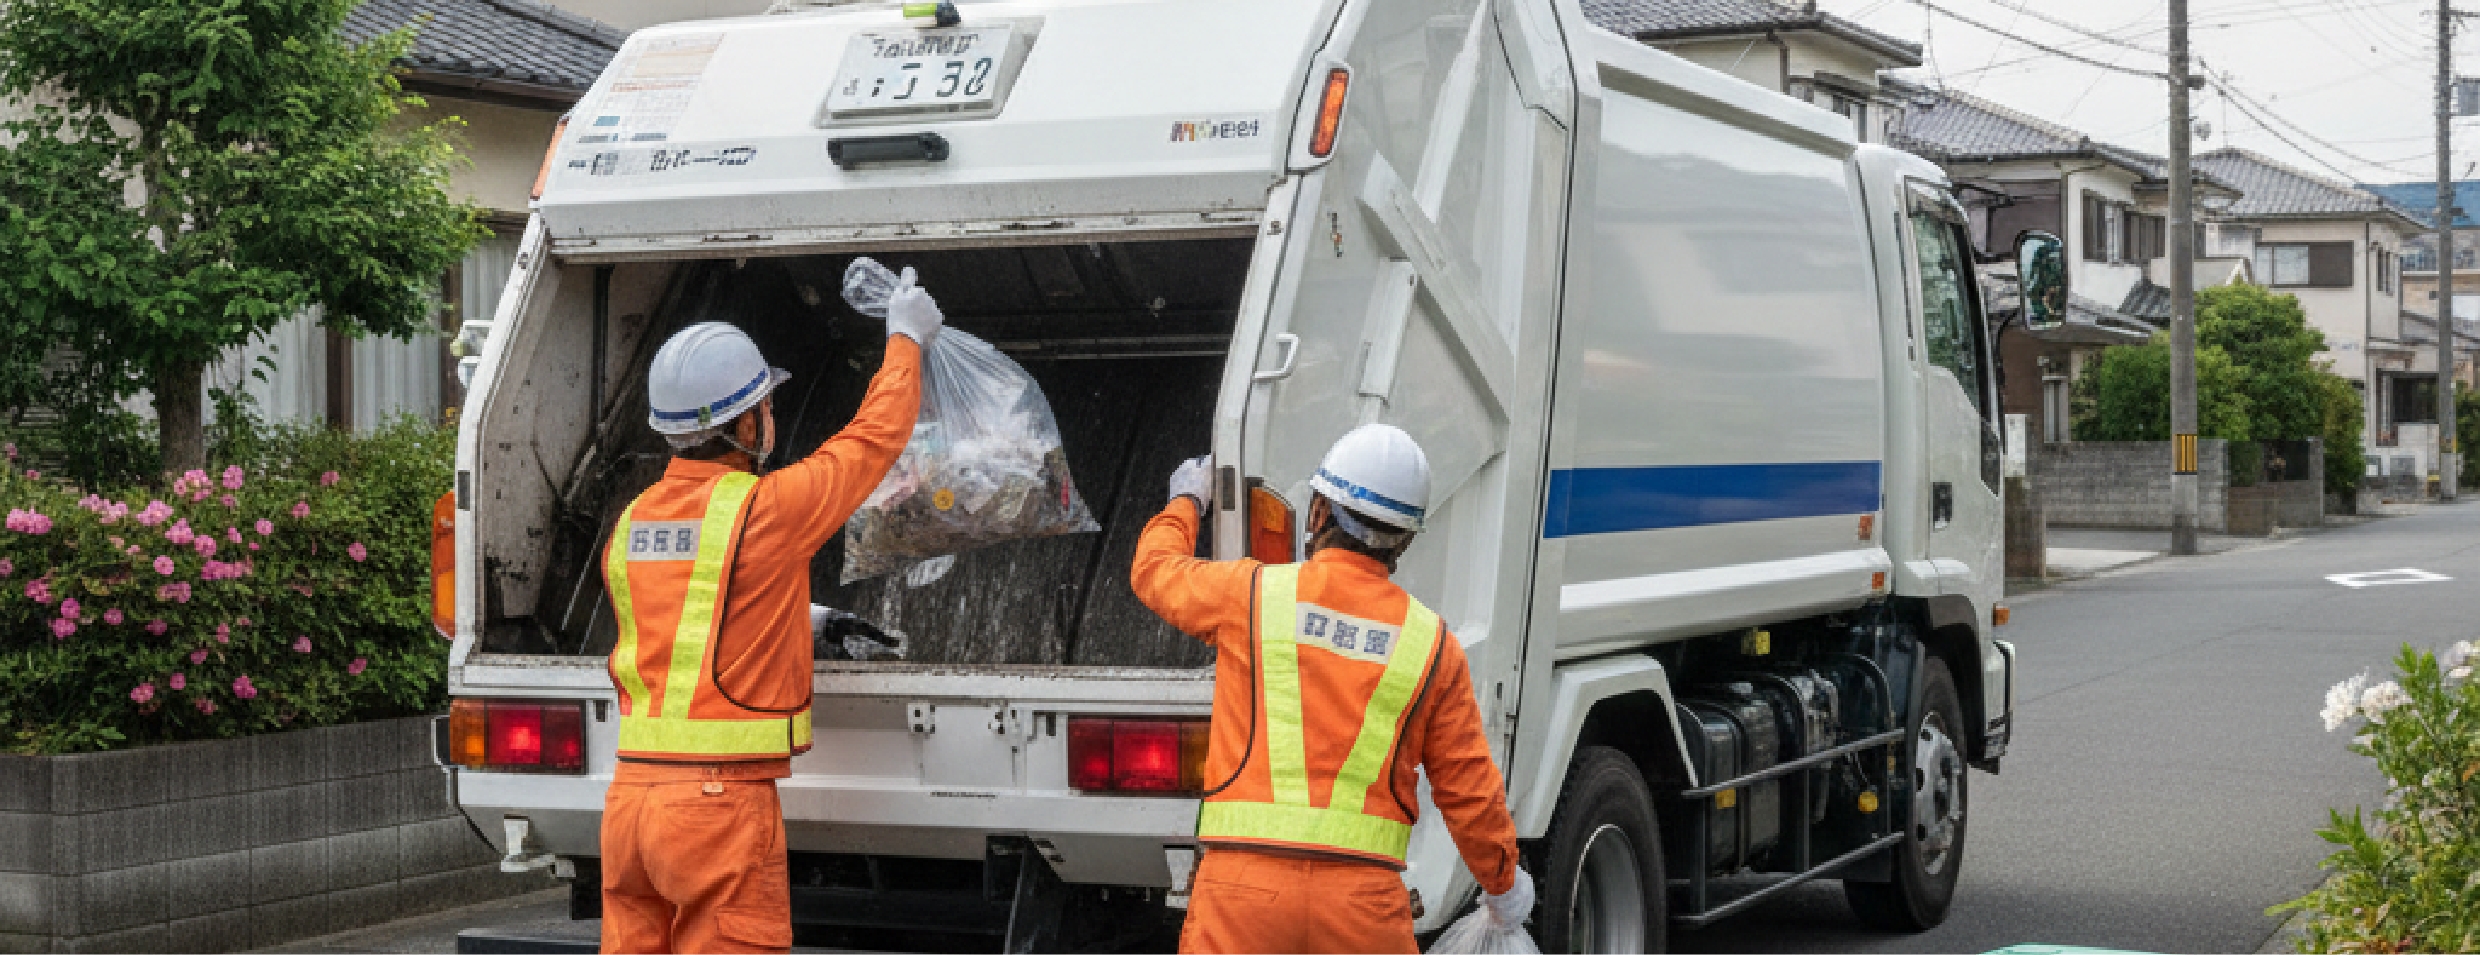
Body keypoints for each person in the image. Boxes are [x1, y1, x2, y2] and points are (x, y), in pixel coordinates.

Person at [597, 274, 945, 954]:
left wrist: (800, 618)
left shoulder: (633, 521)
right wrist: (905, 339)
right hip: (715, 810)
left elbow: (690, 616)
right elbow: (870, 443)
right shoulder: (765, 509)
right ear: (746, 422)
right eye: (766, 404)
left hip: (630, 804)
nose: (772, 417)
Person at [1130, 425, 1535, 954]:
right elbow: (1470, 792)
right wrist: (1504, 887)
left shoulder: (1252, 596)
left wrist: (1188, 499)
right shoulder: (1432, 646)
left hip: (1241, 899)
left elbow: (1154, 571)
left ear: (1318, 512)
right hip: (1363, 909)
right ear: (1407, 538)